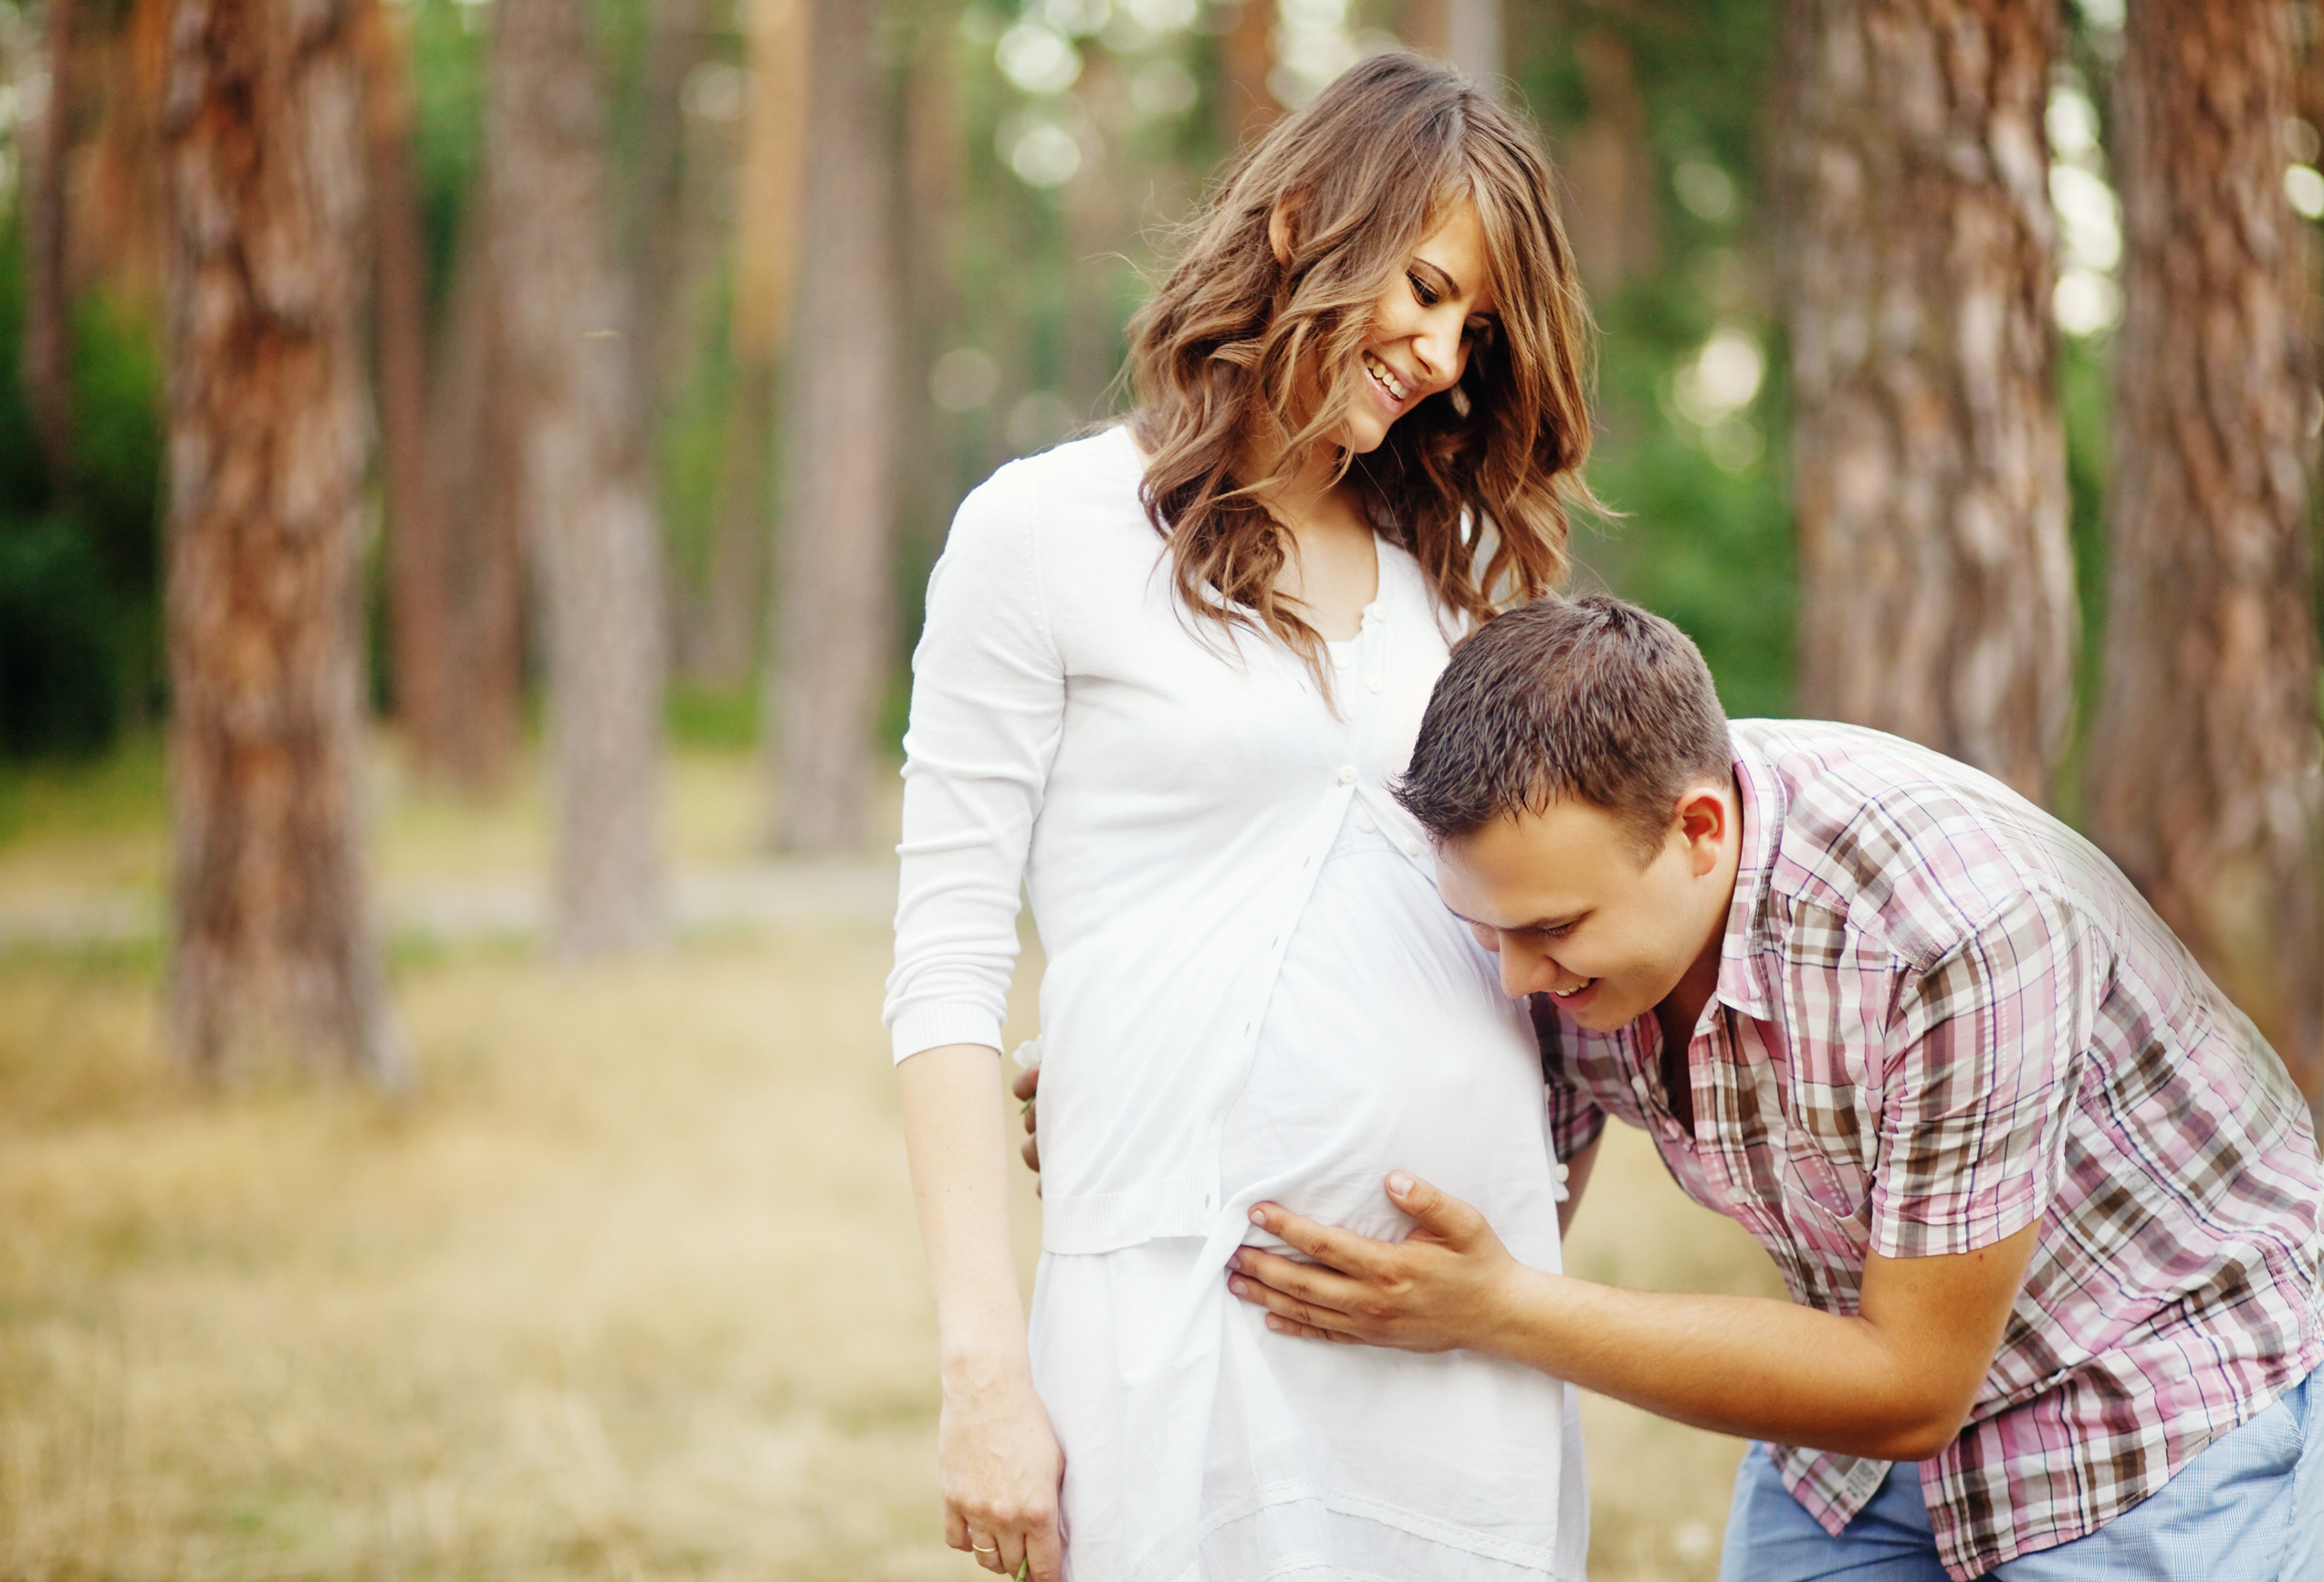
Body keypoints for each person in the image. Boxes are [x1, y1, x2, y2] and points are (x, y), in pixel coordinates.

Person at [885, 52, 1604, 1582]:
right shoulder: (1046, 534)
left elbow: (1551, 938)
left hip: (1456, 1328)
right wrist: (981, 1370)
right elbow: (943, 961)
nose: (1438, 354)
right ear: (1298, 223)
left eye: (1472, 328)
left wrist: (1524, 1253)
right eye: (1421, 287)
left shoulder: (1469, 575)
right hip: (1175, 1307)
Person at [1221, 594, 2324, 1581]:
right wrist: (1164, 1098)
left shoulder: (1960, 929)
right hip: (1845, 1438)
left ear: (1699, 830)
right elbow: (1437, 1158)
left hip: (2145, 1400)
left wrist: (1505, 1308)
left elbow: (1908, 1385)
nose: (1515, 978)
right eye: (1487, 929)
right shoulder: (1554, 901)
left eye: (1552, 930)